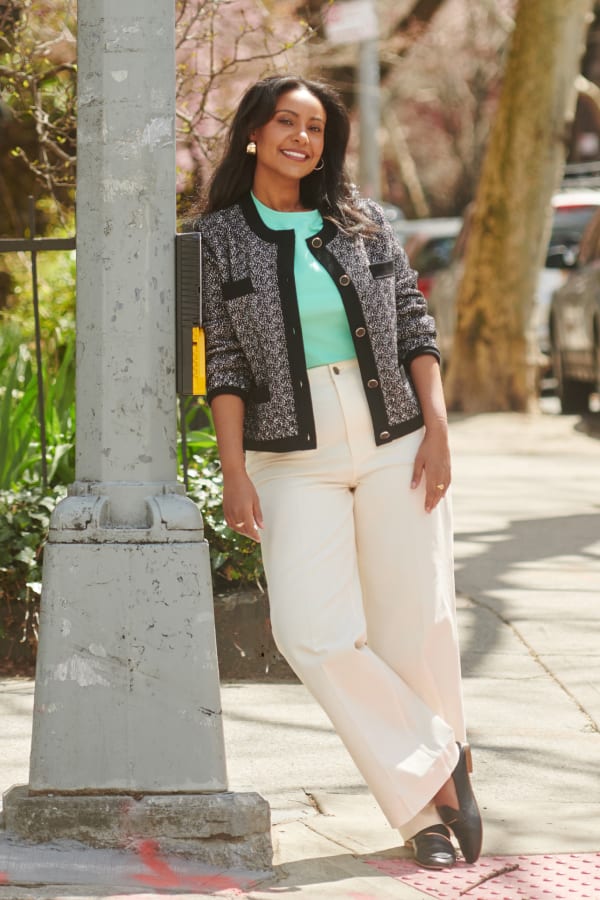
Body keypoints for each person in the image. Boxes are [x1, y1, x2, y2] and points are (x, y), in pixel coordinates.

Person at [193, 73, 483, 870]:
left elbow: (414, 322)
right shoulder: (213, 238)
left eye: (315, 127)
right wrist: (233, 469)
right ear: (253, 132)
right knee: (311, 632)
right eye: (285, 122)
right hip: (290, 455)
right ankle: (442, 756)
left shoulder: (361, 220)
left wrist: (438, 424)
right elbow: (219, 361)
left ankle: (422, 816)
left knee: (412, 626)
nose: (301, 138)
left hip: (392, 434)